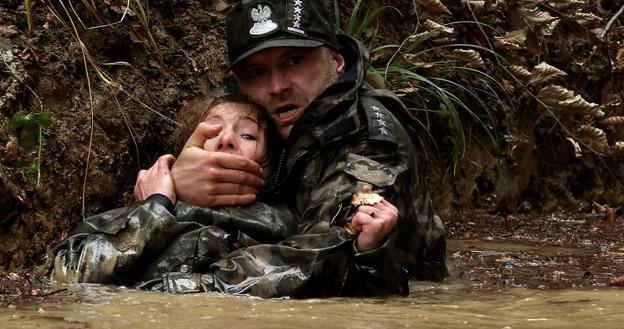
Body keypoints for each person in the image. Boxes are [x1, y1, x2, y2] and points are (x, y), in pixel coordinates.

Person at [160, 0, 447, 296]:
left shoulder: (369, 142)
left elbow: (326, 256)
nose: (276, 87)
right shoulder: (255, 124)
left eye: (294, 61)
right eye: (257, 72)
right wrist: (172, 187)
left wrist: (174, 286)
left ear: (337, 62)